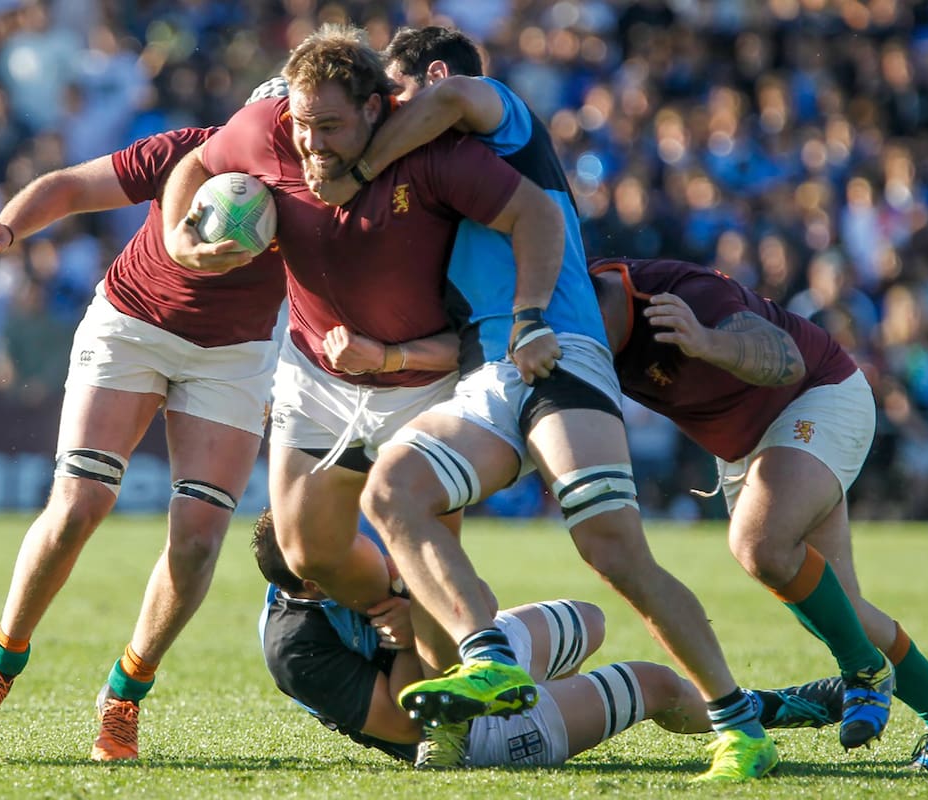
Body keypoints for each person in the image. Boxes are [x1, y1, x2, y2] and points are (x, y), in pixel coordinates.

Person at [304, 26, 785, 781]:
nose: (393, 111)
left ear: (434, 76)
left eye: (398, 94)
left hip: (558, 349)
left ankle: (740, 725)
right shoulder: (436, 179)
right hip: (487, 375)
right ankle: (488, 658)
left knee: (613, 550)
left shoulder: (498, 119)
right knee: (394, 493)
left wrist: (361, 164)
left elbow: (457, 105)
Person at [159, 23, 563, 642]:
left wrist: (529, 315)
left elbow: (537, 213)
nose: (311, 142)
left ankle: (462, 675)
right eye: (303, 124)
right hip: (316, 377)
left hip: (421, 384)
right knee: (306, 551)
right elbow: (197, 162)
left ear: (374, 108)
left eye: (329, 126)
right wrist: (178, 240)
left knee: (428, 564)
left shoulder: (433, 152)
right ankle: (402, 603)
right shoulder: (267, 129)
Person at [0, 112, 288, 761]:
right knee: (79, 505)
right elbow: (72, 186)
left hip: (234, 355)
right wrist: (9, 225)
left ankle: (125, 694)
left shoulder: (319, 189)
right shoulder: (186, 149)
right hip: (132, 324)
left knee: (198, 541)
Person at [588, 256, 928, 771]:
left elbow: (785, 359)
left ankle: (864, 672)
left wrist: (707, 342)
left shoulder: (675, 295)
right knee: (841, 607)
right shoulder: (574, 329)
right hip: (749, 445)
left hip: (815, 397)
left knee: (759, 545)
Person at [251, 509, 845, 768]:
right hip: (456, 732)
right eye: (342, 540)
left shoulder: (355, 550)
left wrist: (419, 607)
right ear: (313, 580)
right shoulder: (294, 646)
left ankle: (541, 703)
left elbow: (479, 603)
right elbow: (408, 727)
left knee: (589, 620)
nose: (357, 536)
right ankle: (778, 708)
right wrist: (409, 637)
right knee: (655, 684)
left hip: (469, 665)